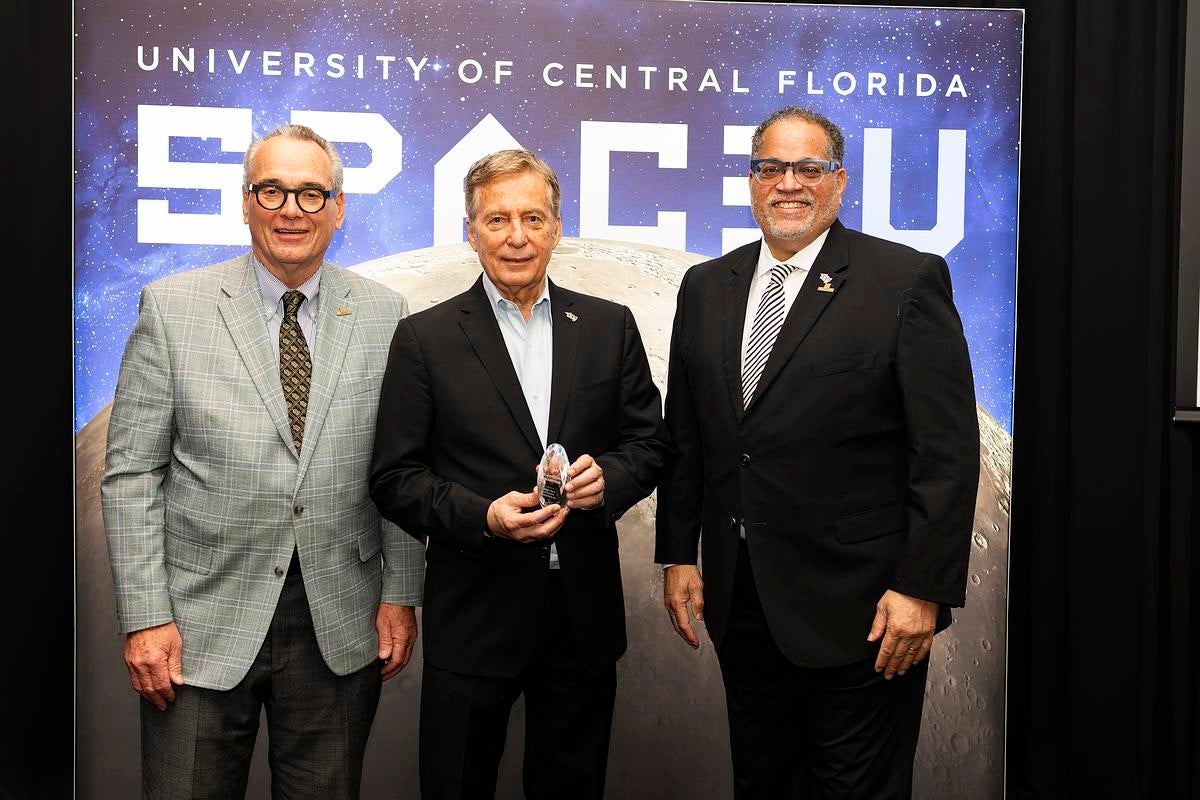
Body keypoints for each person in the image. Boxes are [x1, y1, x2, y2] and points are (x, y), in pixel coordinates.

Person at [654, 106, 980, 799]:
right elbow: (687, 435)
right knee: (763, 783)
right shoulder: (708, 287)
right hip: (743, 605)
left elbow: (946, 452)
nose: (788, 184)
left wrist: (922, 587)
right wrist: (678, 553)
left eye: (808, 168)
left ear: (839, 182)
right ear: (751, 181)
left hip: (865, 611)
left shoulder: (905, 281)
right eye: (770, 167)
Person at [101, 123, 425, 799]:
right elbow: (132, 474)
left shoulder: (385, 314)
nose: (290, 209)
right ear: (244, 202)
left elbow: (399, 470)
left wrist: (400, 593)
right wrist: (145, 616)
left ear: (339, 208)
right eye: (272, 190)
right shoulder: (172, 309)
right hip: (195, 625)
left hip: (339, 619)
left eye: (311, 194)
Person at [369, 148, 673, 800]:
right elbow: (395, 476)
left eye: (532, 218)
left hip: (581, 618)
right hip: (475, 613)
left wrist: (609, 481)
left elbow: (650, 444)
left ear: (556, 227)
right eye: (497, 219)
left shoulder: (607, 327)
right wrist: (482, 516)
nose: (516, 236)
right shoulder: (424, 339)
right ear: (470, 231)